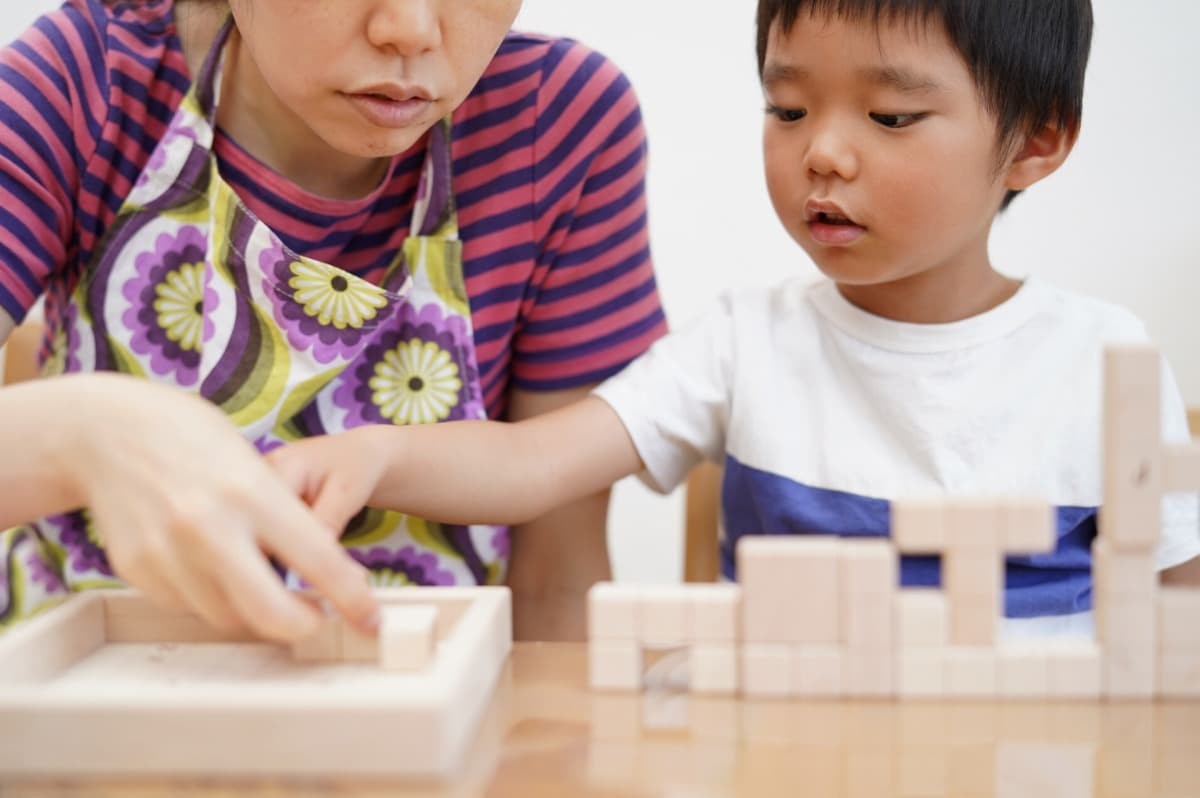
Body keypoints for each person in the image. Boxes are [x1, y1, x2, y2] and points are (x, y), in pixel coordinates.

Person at [265, 0, 1200, 638]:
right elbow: (533, 462)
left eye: (893, 116)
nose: (823, 152)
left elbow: (1178, 615)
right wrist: (378, 455)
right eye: (788, 107)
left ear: (1035, 142)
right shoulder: (744, 342)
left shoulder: (1101, 358)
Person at [0, 0, 667, 641]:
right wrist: (82, 435)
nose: (407, 29)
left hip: (419, 724)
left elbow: (556, 586)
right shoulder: (91, 82)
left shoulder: (556, 128)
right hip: (75, 711)